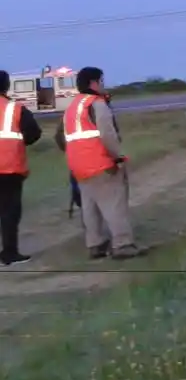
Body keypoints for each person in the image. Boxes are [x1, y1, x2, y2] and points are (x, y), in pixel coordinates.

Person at [54, 66, 140, 260]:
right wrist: (117, 156)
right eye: (102, 81)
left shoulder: (71, 108)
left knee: (90, 207)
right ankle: (123, 244)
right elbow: (107, 134)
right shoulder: (97, 105)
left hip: (79, 167)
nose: (103, 85)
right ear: (93, 83)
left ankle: (95, 244)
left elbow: (60, 137)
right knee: (115, 204)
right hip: (102, 164)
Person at [0, 70, 43, 267]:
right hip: (9, 168)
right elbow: (34, 133)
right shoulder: (16, 109)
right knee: (9, 212)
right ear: (6, 86)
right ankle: (9, 253)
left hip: (10, 167)